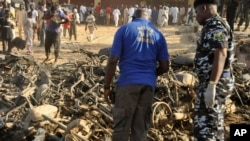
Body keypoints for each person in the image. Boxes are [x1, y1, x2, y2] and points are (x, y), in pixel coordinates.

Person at [103, 8, 170, 141]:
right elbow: (165, 66)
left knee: (121, 127)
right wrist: (151, 75)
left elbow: (112, 61)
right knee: (140, 129)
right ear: (148, 19)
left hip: (127, 83)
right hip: (148, 86)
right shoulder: (158, 34)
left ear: (133, 18)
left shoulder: (124, 30)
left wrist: (106, 86)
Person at [193, 0, 235, 140]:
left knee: (207, 127)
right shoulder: (215, 24)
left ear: (204, 8)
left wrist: (212, 84)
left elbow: (221, 53)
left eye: (197, 12)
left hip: (214, 81)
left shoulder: (214, 25)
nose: (196, 16)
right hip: (211, 81)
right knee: (211, 124)